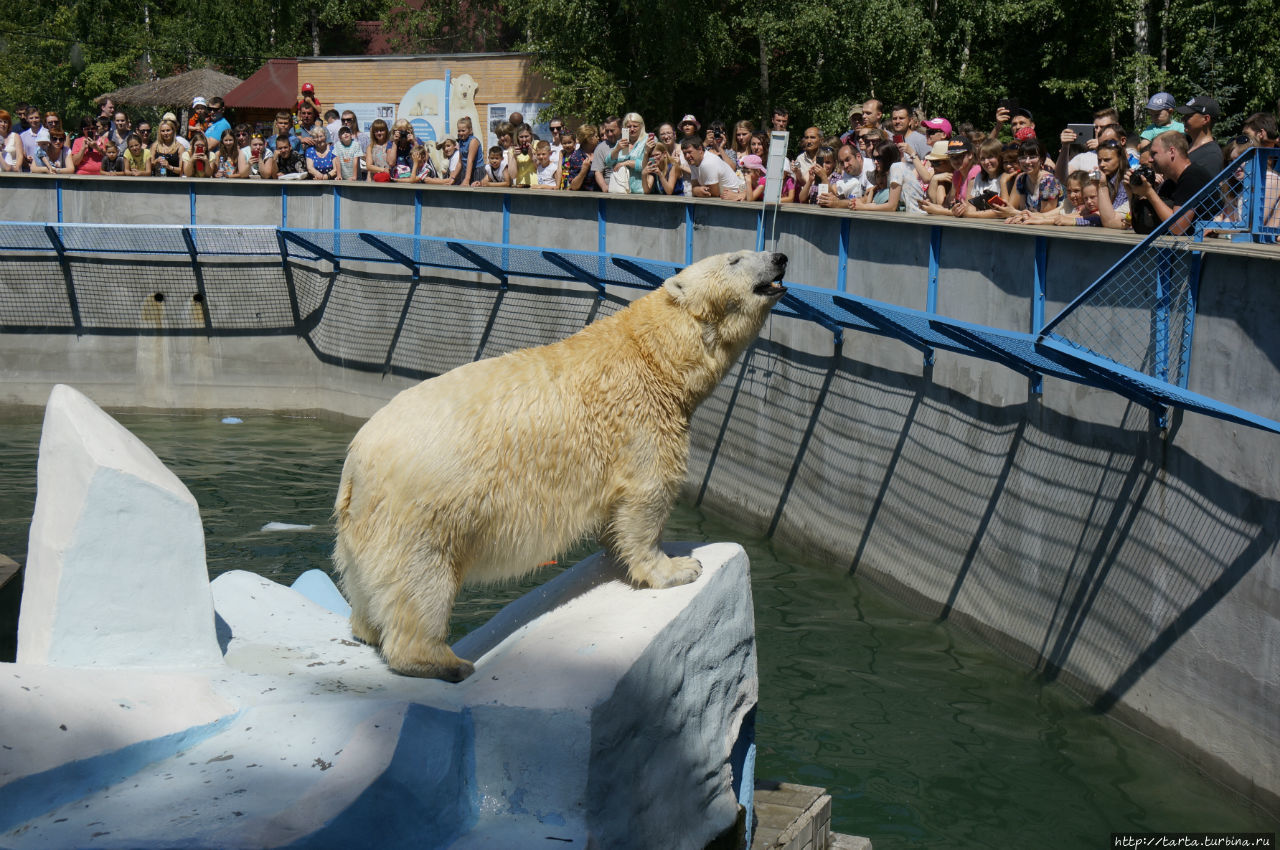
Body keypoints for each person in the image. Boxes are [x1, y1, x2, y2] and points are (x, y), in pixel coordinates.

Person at [1129, 129, 1214, 235]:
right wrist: (1133, 193)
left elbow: (1177, 228)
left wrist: (1149, 193)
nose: (1150, 160)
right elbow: (1145, 223)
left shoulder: (1192, 176)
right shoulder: (1170, 183)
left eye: (1154, 153)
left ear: (1172, 152)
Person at [952, 138, 1013, 219]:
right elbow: (971, 207)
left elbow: (1003, 211)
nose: (986, 162)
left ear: (1000, 157)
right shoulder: (979, 177)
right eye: (983, 159)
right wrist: (959, 211)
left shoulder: (1006, 178)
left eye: (990, 157)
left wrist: (969, 214)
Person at [681, 135, 745, 200]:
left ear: (700, 149)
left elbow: (713, 193)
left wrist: (695, 190)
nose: (687, 156)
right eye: (684, 153)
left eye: (689, 152)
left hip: (737, 196)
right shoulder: (693, 162)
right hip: (723, 198)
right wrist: (695, 190)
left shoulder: (708, 162)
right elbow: (695, 186)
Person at [1007, 138, 1061, 213]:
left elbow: (1045, 214)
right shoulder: (1021, 179)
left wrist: (1016, 213)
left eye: (1032, 157)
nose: (1027, 161)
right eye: (1023, 158)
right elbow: (1019, 208)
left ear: (1041, 159)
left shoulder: (1050, 181)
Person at [1177, 96, 1225, 175]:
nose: (1183, 119)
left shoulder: (1212, 155)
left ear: (1205, 119)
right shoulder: (1185, 144)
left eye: (1188, 116)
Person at [604, 112, 648, 194]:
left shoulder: (648, 140)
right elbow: (608, 163)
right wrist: (617, 149)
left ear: (641, 126)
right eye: (628, 126)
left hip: (641, 191)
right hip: (622, 190)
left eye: (635, 126)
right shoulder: (623, 140)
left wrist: (626, 163)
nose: (631, 129)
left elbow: (650, 165)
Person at [819, 144, 872, 209]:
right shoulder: (848, 171)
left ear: (858, 157)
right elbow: (836, 192)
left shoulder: (870, 168)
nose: (845, 165)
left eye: (848, 159)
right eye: (842, 162)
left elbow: (868, 199)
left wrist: (837, 204)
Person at [591, 115, 621, 192]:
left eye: (612, 130)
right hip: (611, 188)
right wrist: (604, 187)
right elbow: (598, 172)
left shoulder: (629, 143)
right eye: (607, 131)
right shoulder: (600, 148)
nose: (609, 134)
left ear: (620, 129)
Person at [562, 125, 596, 190]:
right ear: (589, 139)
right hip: (585, 197)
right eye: (595, 136)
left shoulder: (599, 151)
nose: (598, 138)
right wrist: (583, 171)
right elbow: (574, 186)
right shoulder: (576, 157)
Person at [453, 116, 482, 185]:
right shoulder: (461, 142)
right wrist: (452, 178)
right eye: (459, 131)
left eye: (463, 131)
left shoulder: (473, 141)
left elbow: (470, 160)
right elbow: (460, 162)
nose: (460, 133)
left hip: (476, 171)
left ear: (470, 130)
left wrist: (467, 179)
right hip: (466, 170)